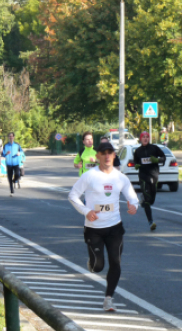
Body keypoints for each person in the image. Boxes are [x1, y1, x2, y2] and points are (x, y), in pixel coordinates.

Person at [68, 142, 139, 312]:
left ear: (114, 155)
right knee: (98, 267)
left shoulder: (120, 177)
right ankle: (92, 263)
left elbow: (133, 196)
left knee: (116, 261)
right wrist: (86, 211)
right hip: (94, 228)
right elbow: (72, 195)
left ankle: (108, 298)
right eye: (103, 153)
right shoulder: (89, 176)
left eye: (110, 153)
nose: (107, 156)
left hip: (114, 227)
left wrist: (134, 205)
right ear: (98, 156)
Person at [134, 131, 166, 231]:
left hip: (154, 175)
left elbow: (163, 158)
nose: (145, 139)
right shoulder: (138, 151)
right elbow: (135, 161)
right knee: (148, 201)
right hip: (143, 177)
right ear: (140, 139)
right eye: (143, 137)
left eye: (147, 137)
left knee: (152, 200)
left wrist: (157, 160)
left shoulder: (154, 148)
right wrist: (136, 165)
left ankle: (145, 201)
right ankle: (151, 222)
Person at [2, 132, 23, 197]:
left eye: (12, 136)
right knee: (9, 177)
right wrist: (6, 153)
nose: (11, 137)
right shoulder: (6, 145)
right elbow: (2, 154)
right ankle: (11, 190)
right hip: (9, 163)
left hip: (16, 162)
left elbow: (21, 151)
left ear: (13, 137)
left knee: (17, 174)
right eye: (10, 136)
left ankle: (15, 180)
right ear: (8, 137)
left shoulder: (17, 145)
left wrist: (19, 153)